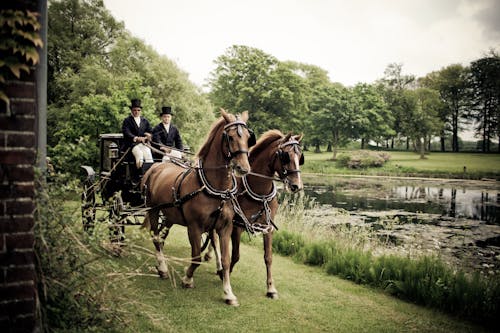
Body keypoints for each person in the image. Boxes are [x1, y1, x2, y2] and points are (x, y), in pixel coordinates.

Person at [121, 98, 154, 169]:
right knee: (139, 155)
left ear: (140, 111)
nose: (136, 112)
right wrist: (136, 138)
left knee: (148, 154)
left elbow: (150, 132)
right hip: (131, 145)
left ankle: (148, 173)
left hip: (143, 144)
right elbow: (126, 132)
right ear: (131, 111)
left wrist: (147, 137)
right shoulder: (127, 121)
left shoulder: (145, 121)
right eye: (134, 110)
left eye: (138, 110)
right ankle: (138, 175)